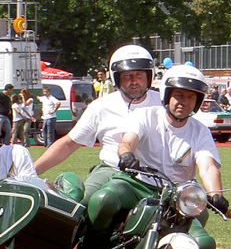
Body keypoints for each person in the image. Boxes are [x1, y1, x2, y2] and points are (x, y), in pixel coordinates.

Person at [85, 64, 227, 249]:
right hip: (135, 183)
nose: (183, 102)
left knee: (205, 244)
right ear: (167, 95)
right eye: (178, 95)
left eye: (190, 97)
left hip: (175, 199)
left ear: (197, 101)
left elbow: (207, 165)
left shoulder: (200, 131)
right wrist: (126, 155)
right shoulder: (147, 115)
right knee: (103, 199)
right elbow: (128, 140)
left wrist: (215, 194)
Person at [33, 44, 162, 201]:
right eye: (127, 76)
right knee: (88, 203)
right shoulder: (101, 106)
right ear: (117, 78)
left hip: (154, 174)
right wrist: (31, 172)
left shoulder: (163, 104)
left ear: (149, 76)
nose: (134, 81)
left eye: (139, 75)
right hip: (111, 170)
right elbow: (68, 144)